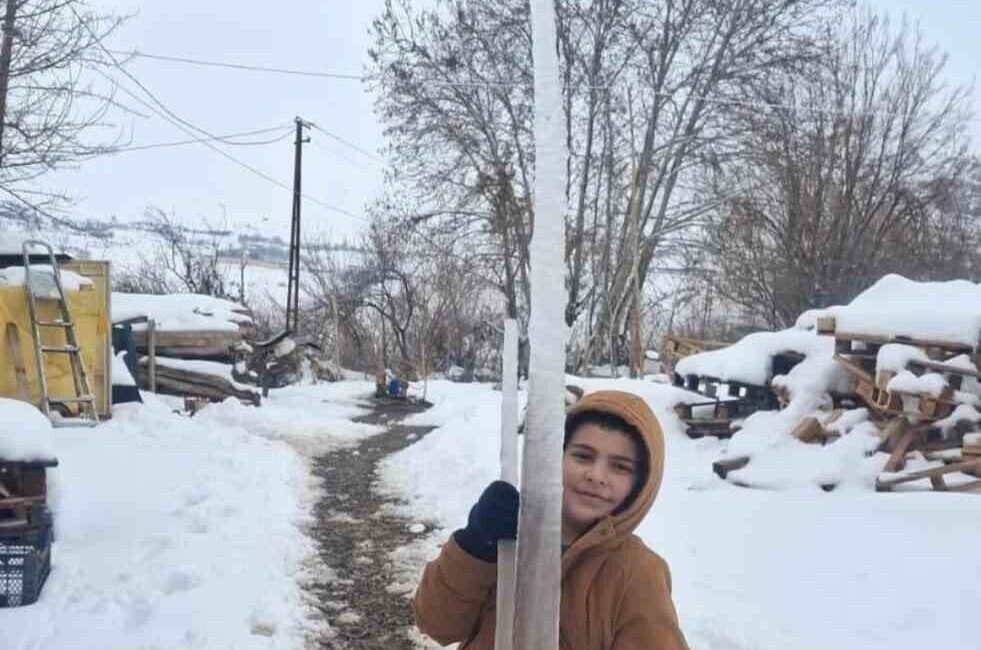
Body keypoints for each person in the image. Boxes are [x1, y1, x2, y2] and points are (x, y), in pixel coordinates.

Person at [413, 390, 689, 649]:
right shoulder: (509, 534)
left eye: (619, 466)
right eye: (583, 456)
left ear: (640, 484)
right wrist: (475, 543)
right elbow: (437, 625)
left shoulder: (637, 573)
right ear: (558, 456)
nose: (596, 475)